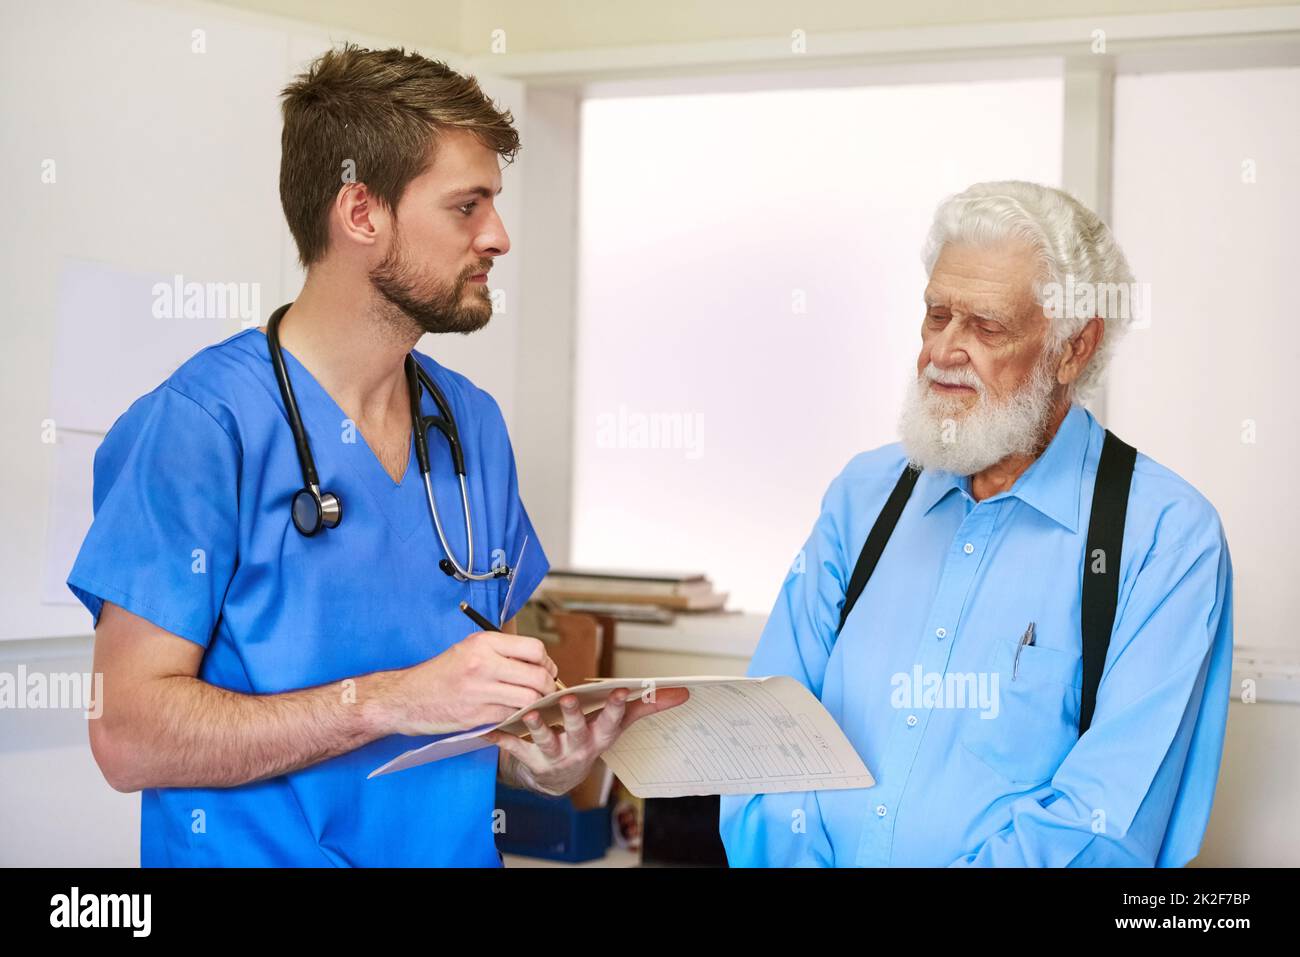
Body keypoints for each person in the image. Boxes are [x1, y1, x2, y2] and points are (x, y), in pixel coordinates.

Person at [67, 43, 685, 867]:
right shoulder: (200, 427)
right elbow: (129, 735)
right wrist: (390, 700)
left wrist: (542, 759)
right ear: (362, 214)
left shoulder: (470, 426)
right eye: (467, 206)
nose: (497, 237)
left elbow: (471, 721)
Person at [720, 181, 1232, 867]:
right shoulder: (862, 498)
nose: (942, 351)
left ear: (1073, 349)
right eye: (936, 315)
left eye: (986, 326)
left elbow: (1103, 823)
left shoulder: (1166, 538)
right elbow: (761, 736)